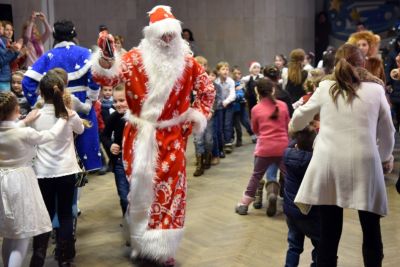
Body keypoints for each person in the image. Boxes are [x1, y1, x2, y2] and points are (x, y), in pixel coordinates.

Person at [91, 5, 215, 266]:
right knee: (137, 191)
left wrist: (194, 118)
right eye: (163, 35)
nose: (169, 40)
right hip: (138, 136)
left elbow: (207, 91)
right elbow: (105, 80)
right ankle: (141, 238)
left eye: (172, 34)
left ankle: (163, 247)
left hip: (172, 138)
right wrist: (106, 57)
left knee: (171, 191)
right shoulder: (134, 58)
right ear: (151, 36)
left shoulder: (189, 63)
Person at [290, 44, 395, 267]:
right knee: (371, 230)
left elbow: (298, 118)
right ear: (363, 63)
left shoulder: (325, 86)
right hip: (365, 162)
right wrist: (385, 157)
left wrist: (295, 126)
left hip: (329, 163)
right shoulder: (376, 90)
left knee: (329, 233)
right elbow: (388, 131)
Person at [23, 20, 102, 172]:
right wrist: (90, 99)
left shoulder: (48, 57)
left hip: (54, 102)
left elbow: (27, 81)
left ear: (54, 35)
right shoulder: (86, 53)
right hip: (81, 103)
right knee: (82, 138)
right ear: (74, 34)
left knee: (59, 142)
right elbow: (95, 77)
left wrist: (38, 102)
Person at [0, 92, 67, 267]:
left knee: (9, 233)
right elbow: (50, 136)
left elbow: (8, 130)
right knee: (22, 235)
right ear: (16, 109)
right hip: (19, 182)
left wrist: (23, 121)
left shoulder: (18, 129)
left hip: (2, 181)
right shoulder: (25, 133)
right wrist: (63, 119)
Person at [28, 70, 83, 267]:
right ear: (62, 91)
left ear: (41, 94)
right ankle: (65, 257)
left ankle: (39, 255)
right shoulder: (69, 114)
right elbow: (81, 129)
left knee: (45, 215)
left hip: (43, 173)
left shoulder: (34, 115)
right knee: (66, 213)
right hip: (67, 171)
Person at [235, 78, 289, 216]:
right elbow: (287, 125)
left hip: (264, 148)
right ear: (273, 90)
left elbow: (255, 129)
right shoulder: (282, 105)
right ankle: (294, 203)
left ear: (257, 92)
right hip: (282, 147)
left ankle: (244, 204)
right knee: (289, 176)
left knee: (256, 176)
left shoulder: (255, 109)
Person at [283, 126, 320, 267]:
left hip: (292, 212)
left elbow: (291, 142)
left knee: (293, 246)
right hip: (310, 213)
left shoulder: (287, 155)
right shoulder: (315, 161)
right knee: (319, 245)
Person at [232, 66, 256, 147]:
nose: (237, 75)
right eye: (235, 73)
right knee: (237, 125)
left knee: (246, 122)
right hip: (234, 107)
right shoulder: (231, 83)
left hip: (242, 106)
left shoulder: (243, 82)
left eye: (239, 73)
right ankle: (239, 140)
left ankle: (253, 135)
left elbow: (245, 92)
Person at [215, 61, 236, 154]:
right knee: (220, 124)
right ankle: (221, 142)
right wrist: (220, 103)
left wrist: (226, 102)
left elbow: (233, 94)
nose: (225, 71)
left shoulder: (230, 81)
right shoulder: (216, 81)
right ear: (218, 71)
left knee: (227, 124)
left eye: (227, 69)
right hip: (218, 105)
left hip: (228, 104)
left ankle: (228, 142)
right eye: (223, 69)